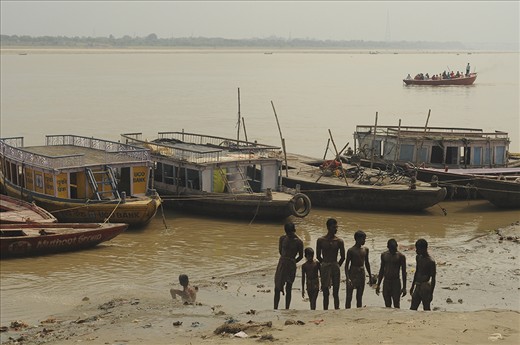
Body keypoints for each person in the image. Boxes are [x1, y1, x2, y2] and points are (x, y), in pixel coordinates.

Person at [316, 218, 345, 310]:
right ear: (328, 227)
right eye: (334, 227)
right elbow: (318, 256)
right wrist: (324, 264)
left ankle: (337, 309)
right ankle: (326, 310)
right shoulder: (321, 240)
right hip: (325, 265)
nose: (336, 229)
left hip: (334, 264)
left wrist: (337, 265)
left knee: (336, 291)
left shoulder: (339, 241)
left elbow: (343, 257)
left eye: (336, 227)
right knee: (325, 291)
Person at [274, 222, 304, 309]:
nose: (289, 235)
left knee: (289, 287)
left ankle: (287, 307)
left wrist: (293, 261)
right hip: (282, 262)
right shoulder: (282, 238)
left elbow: (301, 256)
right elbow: (280, 251)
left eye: (291, 232)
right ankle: (275, 307)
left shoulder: (299, 242)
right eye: (288, 233)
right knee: (277, 287)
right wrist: (285, 258)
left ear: (294, 231)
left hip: (291, 263)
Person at [345, 230, 374, 308]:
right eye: (363, 239)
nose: (364, 241)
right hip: (353, 272)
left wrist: (370, 276)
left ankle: (359, 312)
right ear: (357, 239)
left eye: (365, 239)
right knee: (349, 296)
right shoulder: (351, 250)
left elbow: (367, 263)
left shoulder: (365, 250)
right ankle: (346, 312)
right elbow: (346, 265)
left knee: (359, 296)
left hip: (361, 272)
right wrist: (348, 278)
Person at [375, 239, 407, 308]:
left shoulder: (401, 256)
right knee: (387, 304)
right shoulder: (384, 255)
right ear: (388, 247)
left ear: (397, 246)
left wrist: (404, 287)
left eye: (395, 248)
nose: (394, 251)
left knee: (396, 304)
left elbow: (404, 272)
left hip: (396, 282)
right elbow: (382, 270)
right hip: (386, 282)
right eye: (392, 249)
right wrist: (378, 284)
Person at [410, 239, 436, 311]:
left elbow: (433, 278)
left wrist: (431, 293)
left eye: (418, 249)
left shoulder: (431, 261)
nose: (416, 250)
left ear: (423, 249)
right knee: (413, 308)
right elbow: (417, 271)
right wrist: (412, 286)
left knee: (426, 308)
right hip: (417, 285)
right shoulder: (418, 258)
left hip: (425, 286)